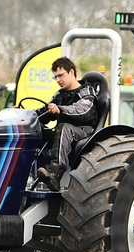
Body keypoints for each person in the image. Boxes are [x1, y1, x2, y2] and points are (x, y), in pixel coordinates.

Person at [34, 57, 98, 191]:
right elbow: (44, 112)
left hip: (84, 134)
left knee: (63, 128)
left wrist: (60, 110)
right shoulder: (60, 95)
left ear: (71, 72)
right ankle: (30, 171)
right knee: (37, 129)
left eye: (60, 75)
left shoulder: (86, 92)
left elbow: (83, 111)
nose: (58, 80)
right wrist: (24, 115)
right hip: (63, 135)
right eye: (55, 77)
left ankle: (55, 173)